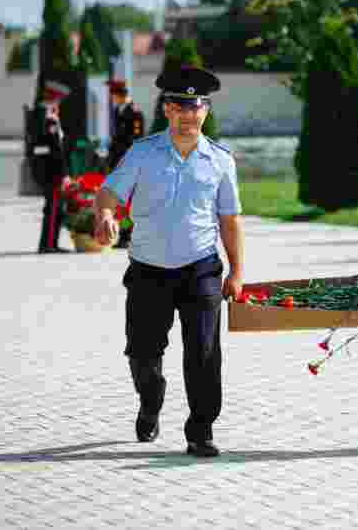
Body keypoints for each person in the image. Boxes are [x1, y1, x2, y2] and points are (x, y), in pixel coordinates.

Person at [93, 64, 244, 458]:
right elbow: (109, 193)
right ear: (167, 110)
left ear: (205, 111)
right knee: (142, 352)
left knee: (204, 352)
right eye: (179, 107)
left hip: (201, 268)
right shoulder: (143, 154)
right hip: (148, 270)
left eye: (195, 107)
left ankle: (201, 430)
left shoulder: (220, 160)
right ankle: (151, 396)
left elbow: (230, 220)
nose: (187, 115)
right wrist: (107, 214)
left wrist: (238, 272)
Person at [30, 82, 72, 254]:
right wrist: (64, 175)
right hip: (52, 171)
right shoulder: (49, 121)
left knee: (55, 209)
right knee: (53, 209)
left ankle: (51, 243)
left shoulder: (42, 119)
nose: (58, 106)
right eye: (57, 102)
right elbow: (56, 151)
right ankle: (47, 245)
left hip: (46, 169)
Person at [106, 80, 145, 249]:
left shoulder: (134, 112)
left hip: (130, 163)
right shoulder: (117, 110)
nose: (111, 98)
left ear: (120, 94)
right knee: (120, 199)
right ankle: (123, 234)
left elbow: (134, 141)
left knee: (131, 200)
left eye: (113, 95)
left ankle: (130, 235)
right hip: (118, 162)